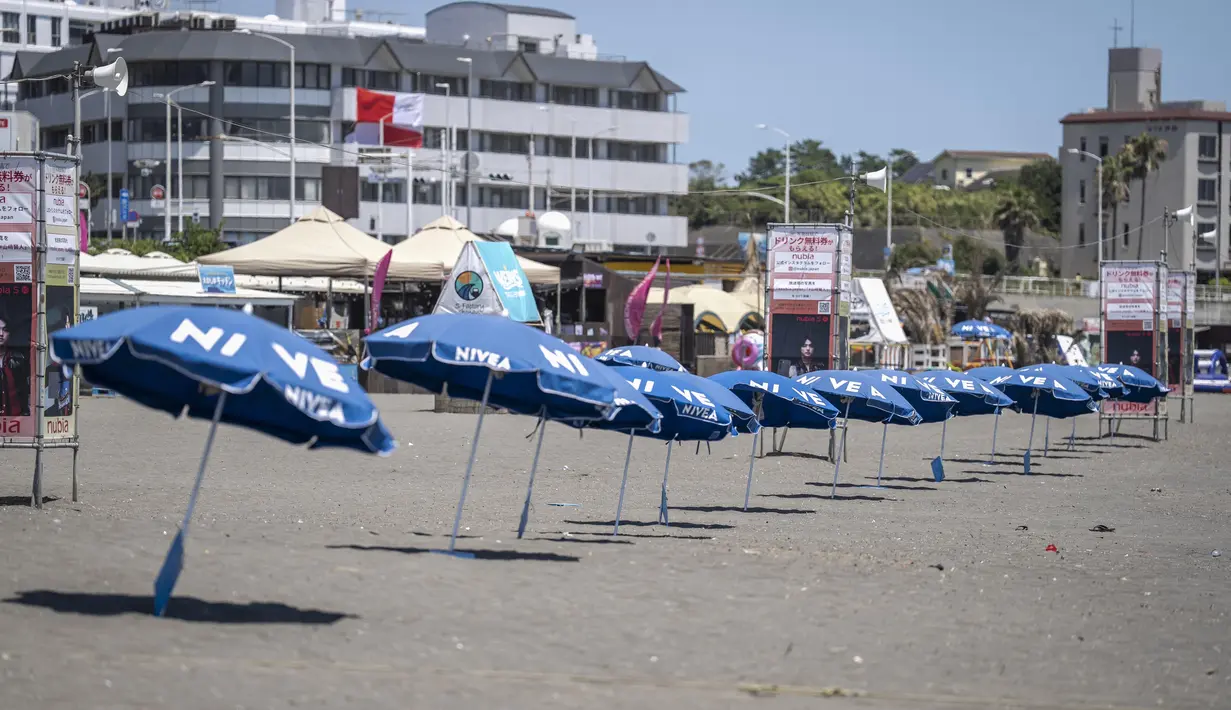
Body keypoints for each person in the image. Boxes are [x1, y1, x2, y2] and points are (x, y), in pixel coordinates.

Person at [0, 315, 30, 417]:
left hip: (17, 420)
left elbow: (26, 390)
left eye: (5, 330)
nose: (1, 334)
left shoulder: (19, 360)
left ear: (10, 333)